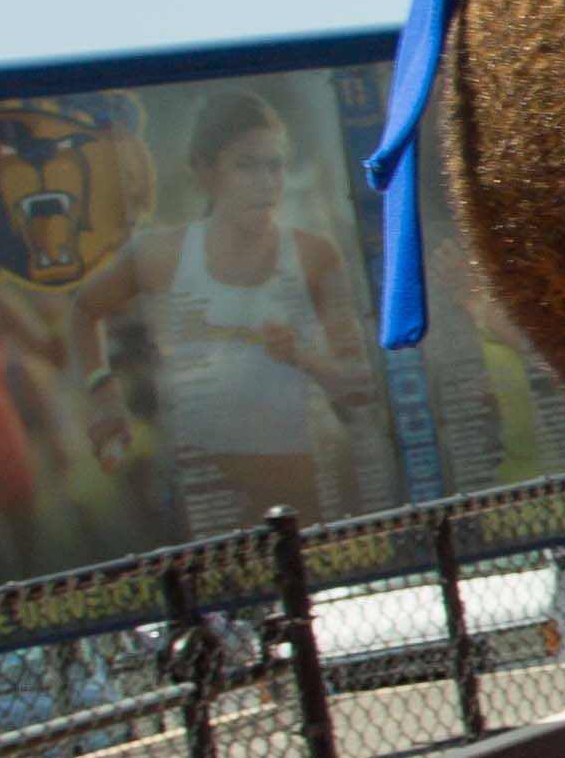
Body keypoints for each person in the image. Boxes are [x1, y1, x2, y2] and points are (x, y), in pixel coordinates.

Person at [73, 88, 376, 529]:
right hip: (212, 495)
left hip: (306, 489)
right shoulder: (161, 255)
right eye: (246, 166)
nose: (266, 183)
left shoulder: (315, 254)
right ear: (205, 171)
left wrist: (304, 358)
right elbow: (83, 310)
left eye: (275, 165)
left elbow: (359, 388)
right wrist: (103, 394)